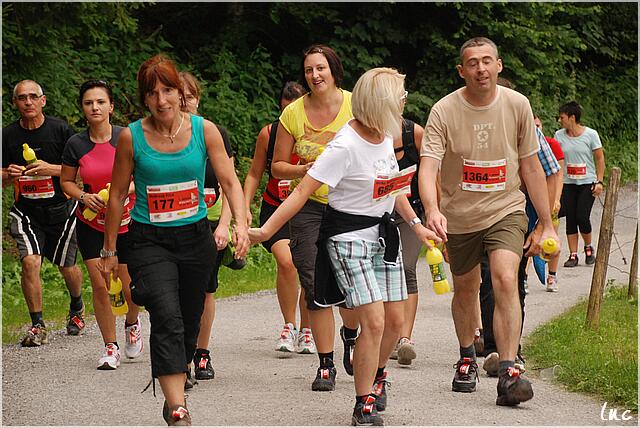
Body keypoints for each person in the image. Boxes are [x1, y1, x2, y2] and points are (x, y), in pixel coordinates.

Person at [250, 67, 439, 426]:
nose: (404, 103)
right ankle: (363, 401)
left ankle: (377, 377)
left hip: (384, 237)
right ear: (382, 102)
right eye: (400, 97)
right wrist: (267, 229)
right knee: (375, 320)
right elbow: (303, 190)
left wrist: (417, 224)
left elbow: (392, 187)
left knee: (395, 321)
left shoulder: (385, 137)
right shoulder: (343, 146)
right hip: (348, 239)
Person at [99, 54, 249, 425]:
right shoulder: (131, 137)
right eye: (153, 94)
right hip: (149, 240)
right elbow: (117, 195)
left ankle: (177, 380)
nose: (162, 100)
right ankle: (178, 407)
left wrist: (240, 225)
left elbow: (230, 181)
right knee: (166, 315)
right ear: (144, 99)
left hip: (195, 237)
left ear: (180, 92)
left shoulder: (204, 130)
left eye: (168, 90)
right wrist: (109, 250)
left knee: (189, 317)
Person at [418, 37, 559, 407]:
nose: (480, 68)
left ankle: (510, 371)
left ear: (499, 65)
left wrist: (545, 222)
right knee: (465, 288)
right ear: (461, 70)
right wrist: (432, 209)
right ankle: (467, 357)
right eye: (472, 63)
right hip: (459, 216)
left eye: (487, 61)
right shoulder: (444, 110)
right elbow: (428, 165)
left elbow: (531, 166)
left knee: (505, 278)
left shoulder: (517, 105)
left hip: (506, 209)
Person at [270, 44, 360, 390]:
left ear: (333, 70)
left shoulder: (355, 104)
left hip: (348, 203)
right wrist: (302, 169)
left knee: (349, 282)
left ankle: (350, 336)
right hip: (307, 203)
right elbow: (277, 166)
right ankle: (325, 364)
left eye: (320, 68)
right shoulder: (292, 113)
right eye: (309, 70)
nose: (315, 75)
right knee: (313, 282)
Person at [480, 86, 563, 377]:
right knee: (488, 277)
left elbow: (550, 173)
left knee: (512, 277)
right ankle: (492, 346)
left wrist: (543, 225)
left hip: (520, 212)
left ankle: (510, 351)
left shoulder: (524, 123)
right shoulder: (474, 122)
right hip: (479, 210)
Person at [60, 79, 143, 369]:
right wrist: (84, 196)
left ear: (111, 106)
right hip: (91, 222)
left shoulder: (128, 137)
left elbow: (142, 176)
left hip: (128, 221)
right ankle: (110, 346)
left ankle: (132, 322)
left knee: (131, 286)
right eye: (88, 103)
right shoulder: (75, 143)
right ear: (82, 108)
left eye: (100, 102)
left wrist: (122, 193)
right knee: (100, 283)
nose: (94, 107)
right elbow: (66, 182)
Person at [2, 79, 85, 347]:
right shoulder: (7, 135)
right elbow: (1, 176)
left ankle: (76, 307)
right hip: (27, 211)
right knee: (30, 262)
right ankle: (37, 325)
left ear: (43, 100)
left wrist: (53, 169)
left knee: (67, 266)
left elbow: (83, 171)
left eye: (32, 97)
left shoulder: (60, 130)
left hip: (63, 208)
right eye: (22, 98)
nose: (28, 102)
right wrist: (7, 174)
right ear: (14, 103)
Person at [243, 81, 315, 354]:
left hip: (309, 209)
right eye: (284, 111)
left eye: (293, 111)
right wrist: (245, 206)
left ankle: (307, 329)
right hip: (276, 208)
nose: (288, 117)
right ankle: (289, 325)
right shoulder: (270, 134)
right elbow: (254, 173)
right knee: (287, 263)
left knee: (308, 267)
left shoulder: (317, 133)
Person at [179, 71, 239, 386]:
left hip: (210, 222)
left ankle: (201, 352)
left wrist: (227, 225)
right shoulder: (161, 137)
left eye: (188, 96)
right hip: (174, 223)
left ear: (197, 98)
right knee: (176, 292)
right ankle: (181, 355)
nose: (183, 103)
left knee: (204, 289)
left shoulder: (213, 132)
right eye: (178, 96)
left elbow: (230, 182)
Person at [388, 117, 425, 366]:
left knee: (407, 267)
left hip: (412, 213)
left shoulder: (416, 134)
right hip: (378, 212)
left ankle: (404, 339)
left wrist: (435, 212)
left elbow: (432, 174)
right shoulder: (369, 131)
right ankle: (382, 334)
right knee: (383, 271)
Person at [554, 101, 605, 268]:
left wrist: (599, 181)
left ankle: (588, 247)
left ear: (572, 118)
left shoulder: (591, 135)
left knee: (582, 217)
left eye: (562, 117)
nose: (560, 120)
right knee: (571, 218)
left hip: (587, 182)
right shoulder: (559, 135)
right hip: (568, 183)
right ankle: (573, 255)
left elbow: (599, 158)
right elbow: (556, 160)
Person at [534, 113, 564, 291]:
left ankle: (551, 276)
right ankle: (525, 277)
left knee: (550, 240)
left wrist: (556, 199)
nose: (536, 129)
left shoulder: (551, 144)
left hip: (550, 196)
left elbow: (557, 173)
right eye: (534, 125)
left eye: (538, 126)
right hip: (531, 199)